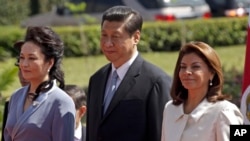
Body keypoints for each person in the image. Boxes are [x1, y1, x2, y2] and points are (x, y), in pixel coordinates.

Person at [86, 6, 172, 141]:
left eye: (115, 36)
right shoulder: (97, 79)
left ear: (136, 37)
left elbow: (161, 134)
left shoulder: (156, 82)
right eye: (104, 35)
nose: (108, 43)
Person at [4, 26, 75, 141]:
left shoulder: (61, 102)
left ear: (50, 62)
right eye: (22, 58)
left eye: (32, 58)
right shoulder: (16, 97)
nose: (24, 64)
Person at [161, 41, 243, 141]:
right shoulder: (170, 109)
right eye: (183, 67)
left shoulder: (225, 111)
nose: (187, 72)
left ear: (212, 73)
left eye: (195, 67)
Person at [1, 44, 30, 141]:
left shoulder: (60, 101)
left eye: (27, 70)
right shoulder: (13, 100)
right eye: (20, 69)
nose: (23, 75)